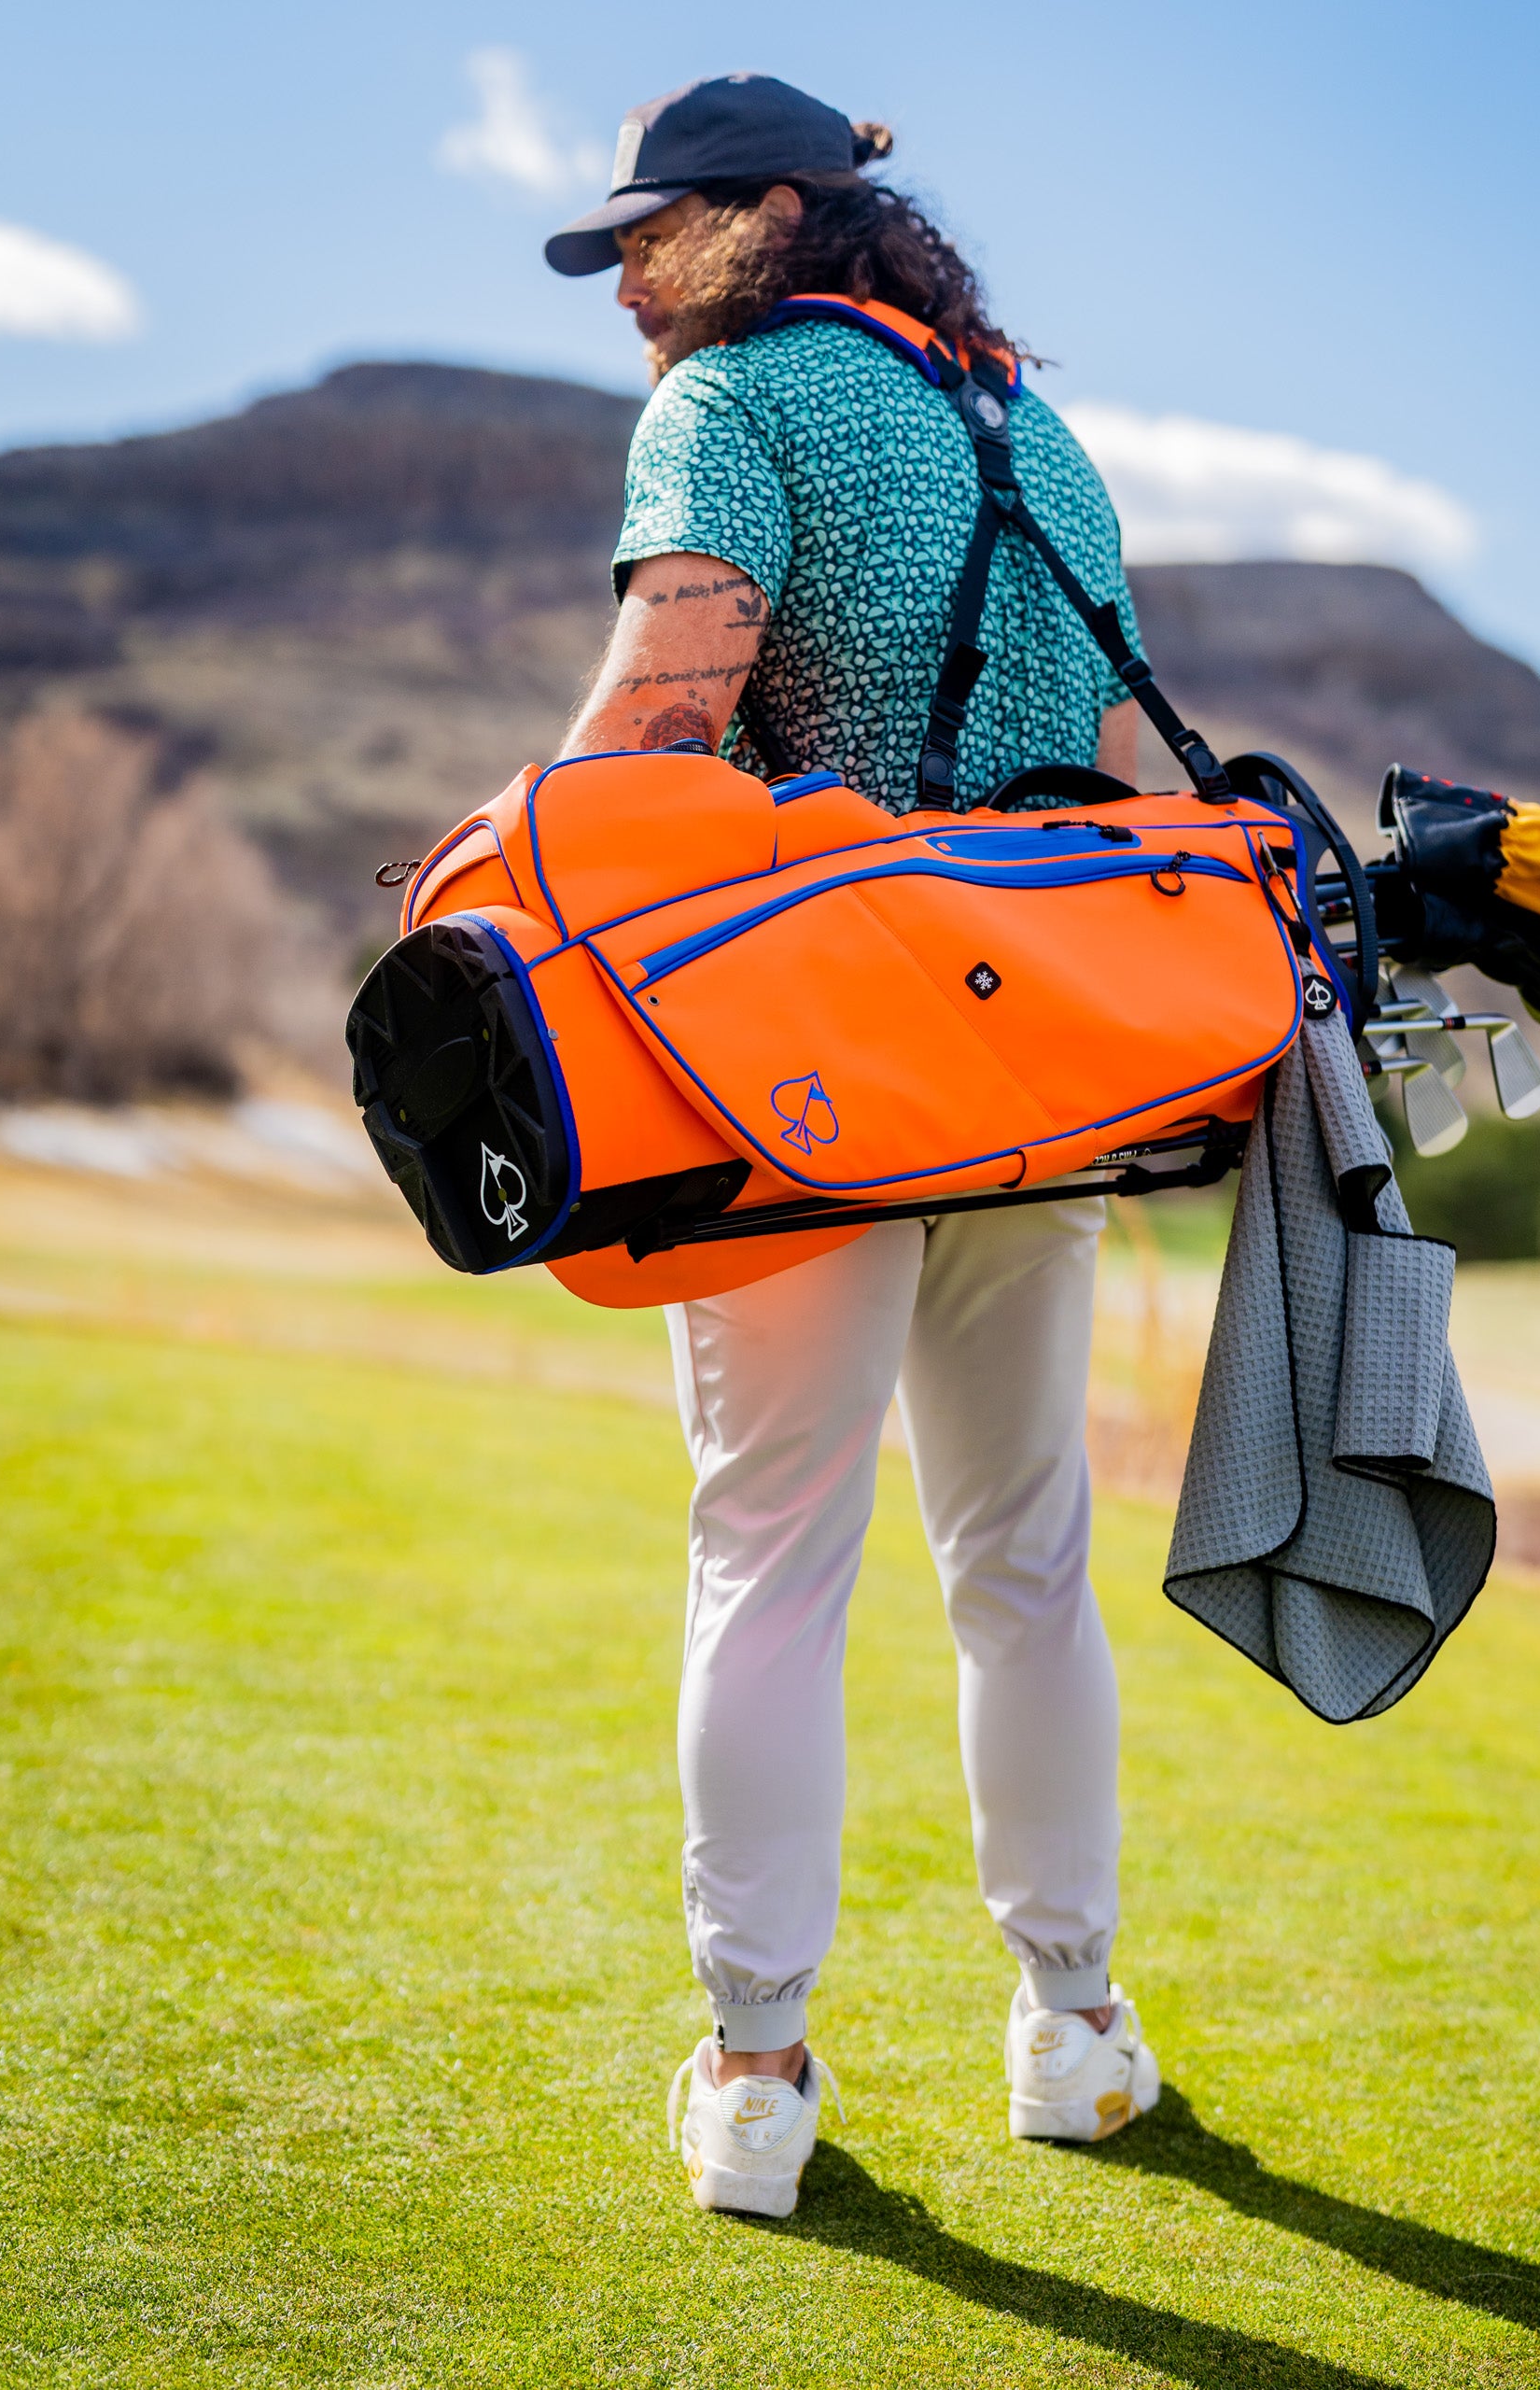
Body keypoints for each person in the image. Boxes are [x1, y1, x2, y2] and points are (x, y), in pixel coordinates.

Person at [544, 72, 1159, 2218]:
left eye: (654, 229)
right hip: (1042, 1055)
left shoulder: (732, 401)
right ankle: (1074, 2027)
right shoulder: (1038, 436)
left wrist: (490, 901)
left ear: (771, 217)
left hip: (810, 1063)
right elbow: (1102, 768)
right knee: (1024, 1551)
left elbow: (653, 733)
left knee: (771, 1555)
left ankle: (755, 2070)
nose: (627, 271)